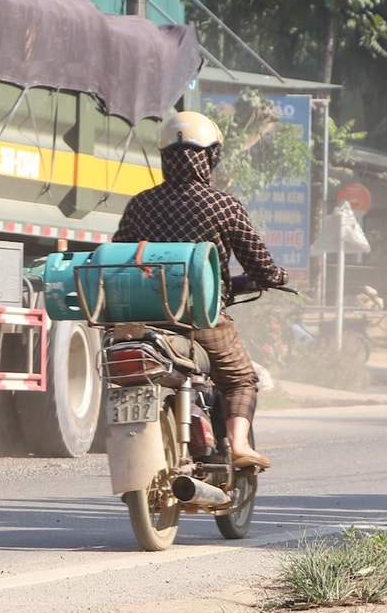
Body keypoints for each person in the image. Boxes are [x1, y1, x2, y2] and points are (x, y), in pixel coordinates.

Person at [113, 110, 288, 467]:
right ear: (210, 158)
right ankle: (238, 445)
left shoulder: (140, 204)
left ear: (165, 159)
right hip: (202, 319)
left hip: (144, 322)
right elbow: (259, 264)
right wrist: (275, 278)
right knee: (241, 379)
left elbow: (120, 256)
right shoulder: (223, 205)